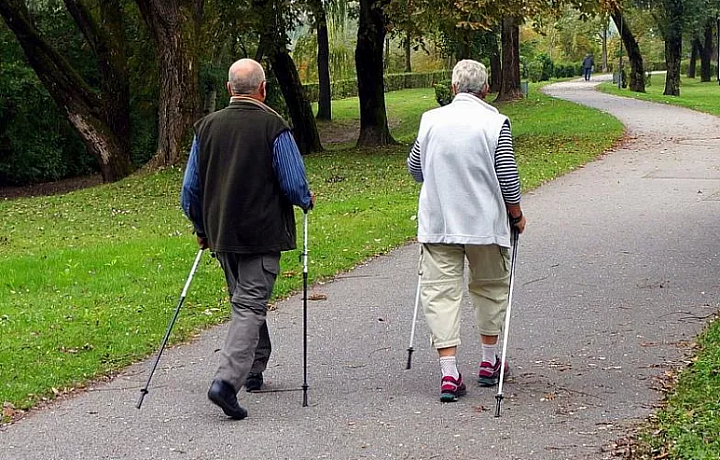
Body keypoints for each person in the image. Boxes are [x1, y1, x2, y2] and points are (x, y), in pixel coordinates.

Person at [181, 58, 314, 420]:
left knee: (244, 301)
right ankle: (226, 382)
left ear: (229, 89)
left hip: (222, 234)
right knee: (250, 306)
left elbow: (189, 191)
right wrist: (306, 199)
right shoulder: (274, 126)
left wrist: (201, 229)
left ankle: (254, 369)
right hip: (261, 233)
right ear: (263, 88)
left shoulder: (205, 127)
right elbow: (292, 183)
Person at [406, 59, 526, 403]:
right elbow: (507, 175)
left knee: (440, 293)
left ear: (454, 87)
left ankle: (449, 374)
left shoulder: (430, 120)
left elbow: (415, 169)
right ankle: (489, 364)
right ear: (486, 89)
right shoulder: (494, 122)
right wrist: (516, 214)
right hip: (484, 225)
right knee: (490, 288)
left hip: (439, 223)